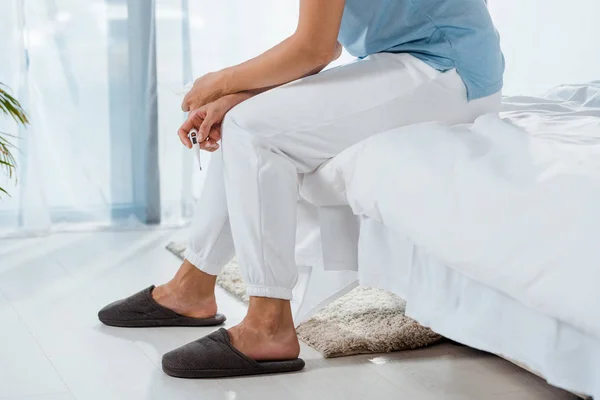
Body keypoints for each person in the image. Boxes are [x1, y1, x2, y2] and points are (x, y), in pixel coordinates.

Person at [99, 0, 504, 378]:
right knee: (242, 116)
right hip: (412, 58)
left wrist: (220, 83)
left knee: (251, 130)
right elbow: (323, 43)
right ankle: (190, 289)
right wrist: (239, 95)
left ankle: (268, 325)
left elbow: (314, 49)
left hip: (447, 70)